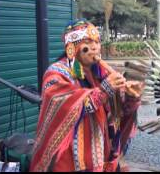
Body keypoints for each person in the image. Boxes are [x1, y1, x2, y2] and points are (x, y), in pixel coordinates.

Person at [29, 19, 143, 172]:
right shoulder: (56, 73)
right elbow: (67, 108)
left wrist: (131, 97)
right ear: (72, 48)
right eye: (88, 42)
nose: (95, 47)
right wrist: (104, 90)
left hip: (102, 155)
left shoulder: (102, 73)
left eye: (97, 41)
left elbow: (118, 113)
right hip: (68, 159)